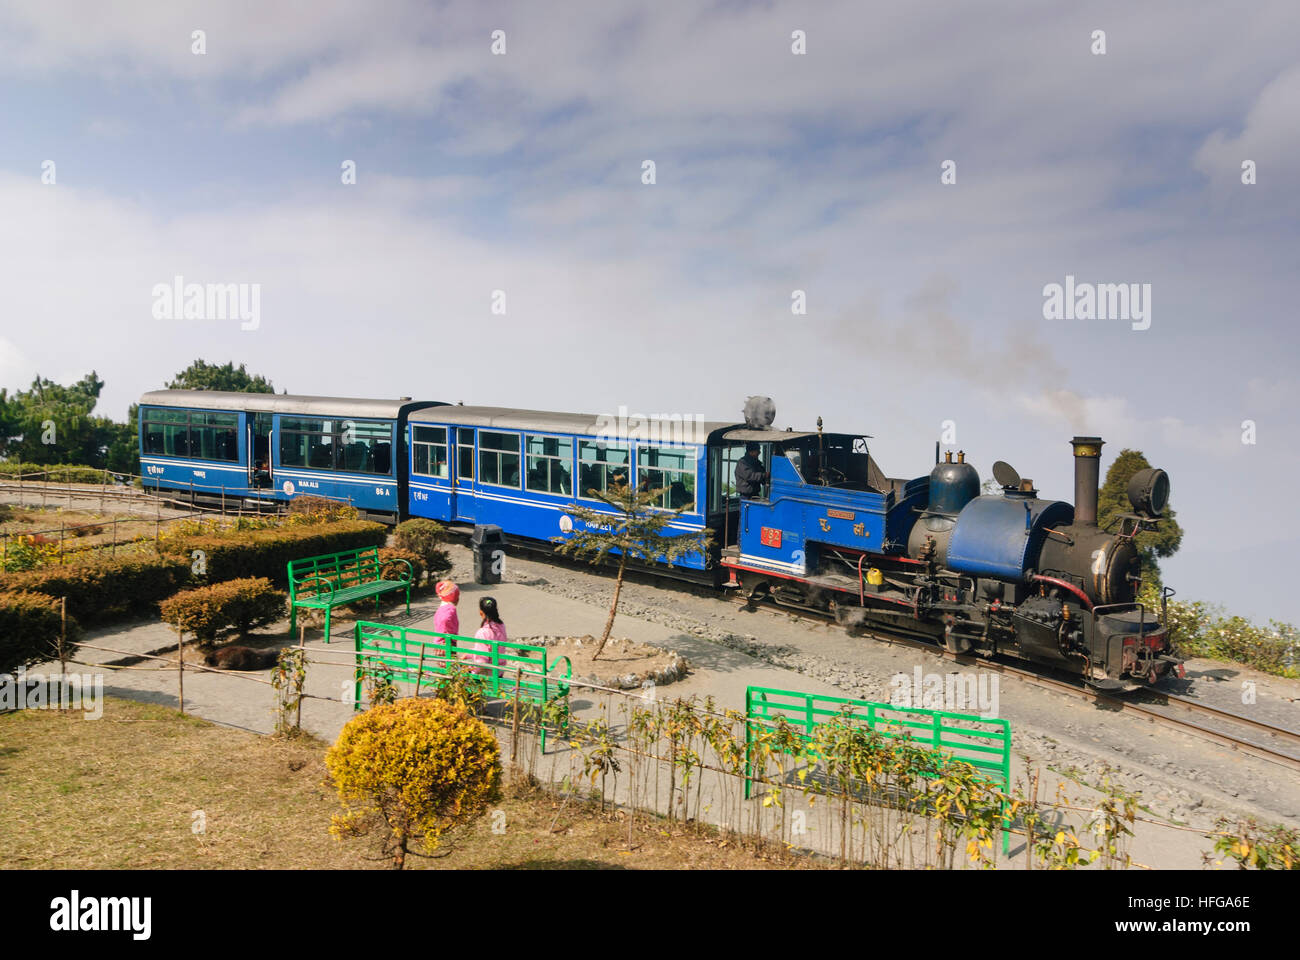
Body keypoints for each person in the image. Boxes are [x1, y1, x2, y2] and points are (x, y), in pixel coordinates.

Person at [463, 596, 506, 677]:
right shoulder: (501, 625)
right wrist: (468, 654)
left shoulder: (482, 632)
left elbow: (481, 662)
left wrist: (470, 670)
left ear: (481, 613)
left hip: (487, 675)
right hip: (499, 671)